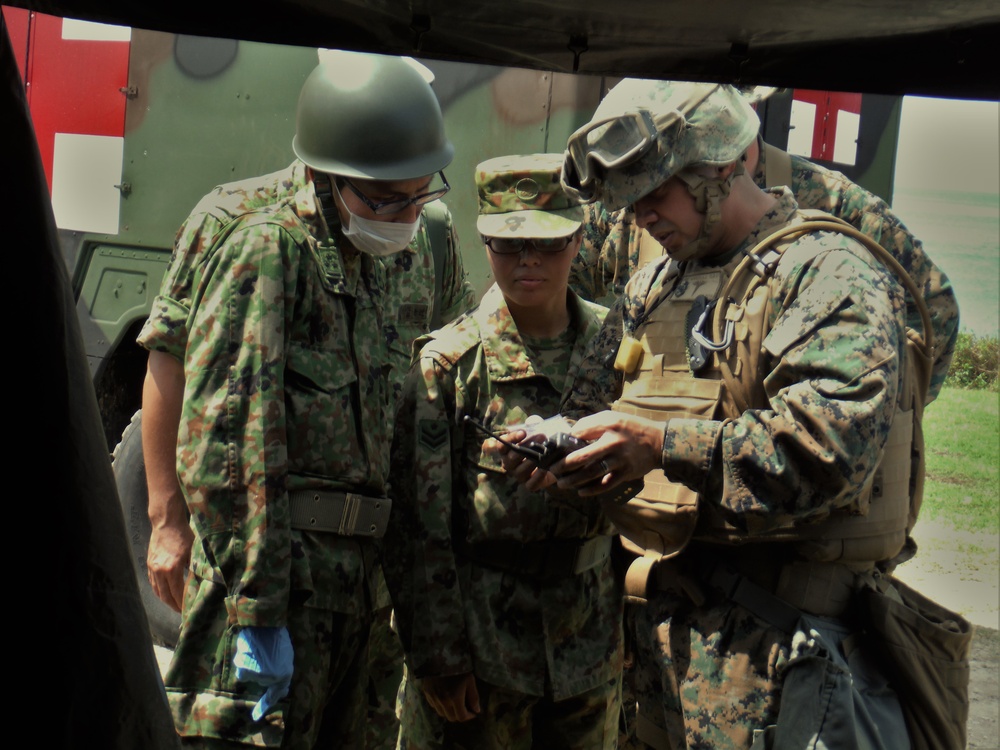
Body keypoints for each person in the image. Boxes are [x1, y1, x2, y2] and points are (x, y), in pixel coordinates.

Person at [502, 79, 921, 749]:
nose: (642, 217)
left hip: (781, 655)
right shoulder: (654, 285)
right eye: (631, 201)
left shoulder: (828, 274)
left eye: (656, 195)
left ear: (721, 167)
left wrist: (660, 444)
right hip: (664, 651)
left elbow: (826, 453)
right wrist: (565, 457)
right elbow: (592, 409)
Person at [136, 51, 470, 749]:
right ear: (327, 171)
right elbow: (232, 435)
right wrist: (250, 601)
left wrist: (428, 630)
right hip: (281, 575)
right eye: (384, 200)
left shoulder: (405, 254)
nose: (406, 215)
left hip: (362, 589)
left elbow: (411, 438)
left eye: (417, 195)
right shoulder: (260, 242)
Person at [383, 153, 623, 749]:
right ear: (485, 243)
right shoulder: (450, 366)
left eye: (548, 244)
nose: (529, 261)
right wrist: (437, 657)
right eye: (508, 246)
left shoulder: (617, 350)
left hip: (589, 649)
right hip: (482, 655)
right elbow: (418, 529)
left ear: (578, 239)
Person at [568, 96, 959, 402]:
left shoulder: (833, 206)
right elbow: (562, 287)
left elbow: (931, 307)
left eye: (657, 192)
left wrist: (866, 402)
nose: (644, 218)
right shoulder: (635, 234)